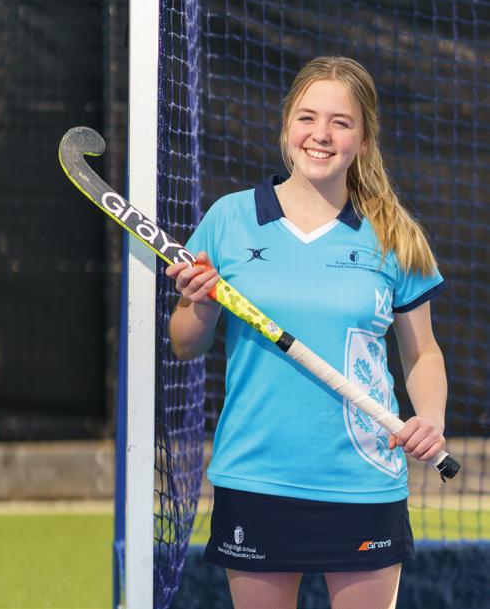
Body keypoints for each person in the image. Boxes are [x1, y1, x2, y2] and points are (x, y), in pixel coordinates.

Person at [166, 56, 447, 609]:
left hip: (363, 481)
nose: (321, 134)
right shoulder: (229, 219)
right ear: (286, 126)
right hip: (256, 476)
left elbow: (423, 354)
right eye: (307, 117)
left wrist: (430, 419)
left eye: (341, 123)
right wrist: (200, 305)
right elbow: (184, 343)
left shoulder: (394, 235)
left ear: (363, 141)